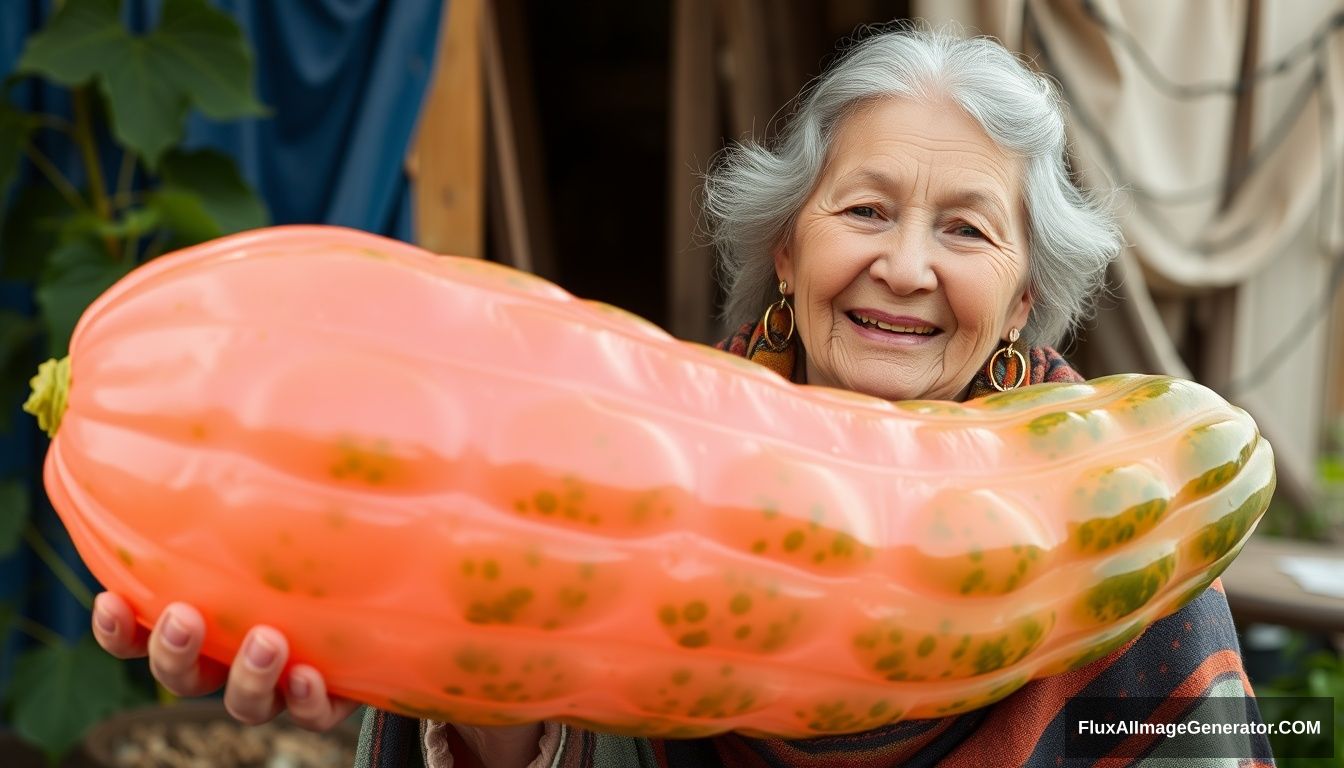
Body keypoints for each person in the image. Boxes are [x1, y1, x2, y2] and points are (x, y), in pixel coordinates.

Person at [91, 26, 1271, 768]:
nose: (906, 266)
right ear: (789, 252)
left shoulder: (1128, 535)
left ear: (1020, 303)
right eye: (864, 211)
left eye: (965, 229)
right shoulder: (633, 465)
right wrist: (475, 699)